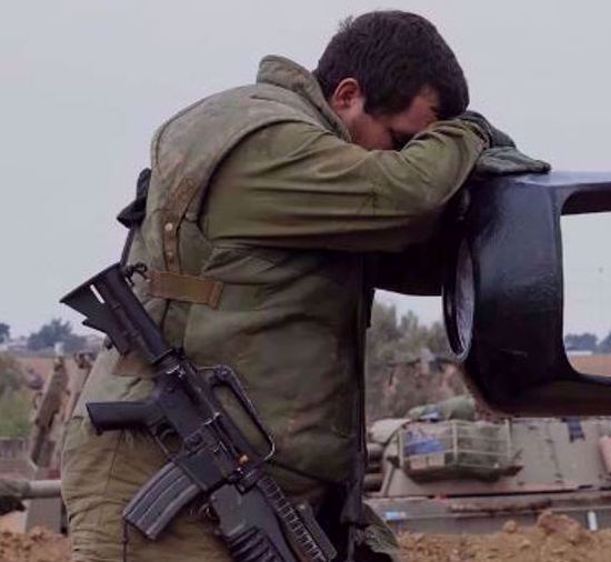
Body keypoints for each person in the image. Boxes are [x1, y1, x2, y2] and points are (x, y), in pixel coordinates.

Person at [59, 10, 547, 562]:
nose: (401, 155)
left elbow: (417, 258)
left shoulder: (314, 177)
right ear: (346, 95)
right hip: (165, 470)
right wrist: (468, 134)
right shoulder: (260, 138)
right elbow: (402, 197)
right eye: (401, 140)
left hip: (246, 476)